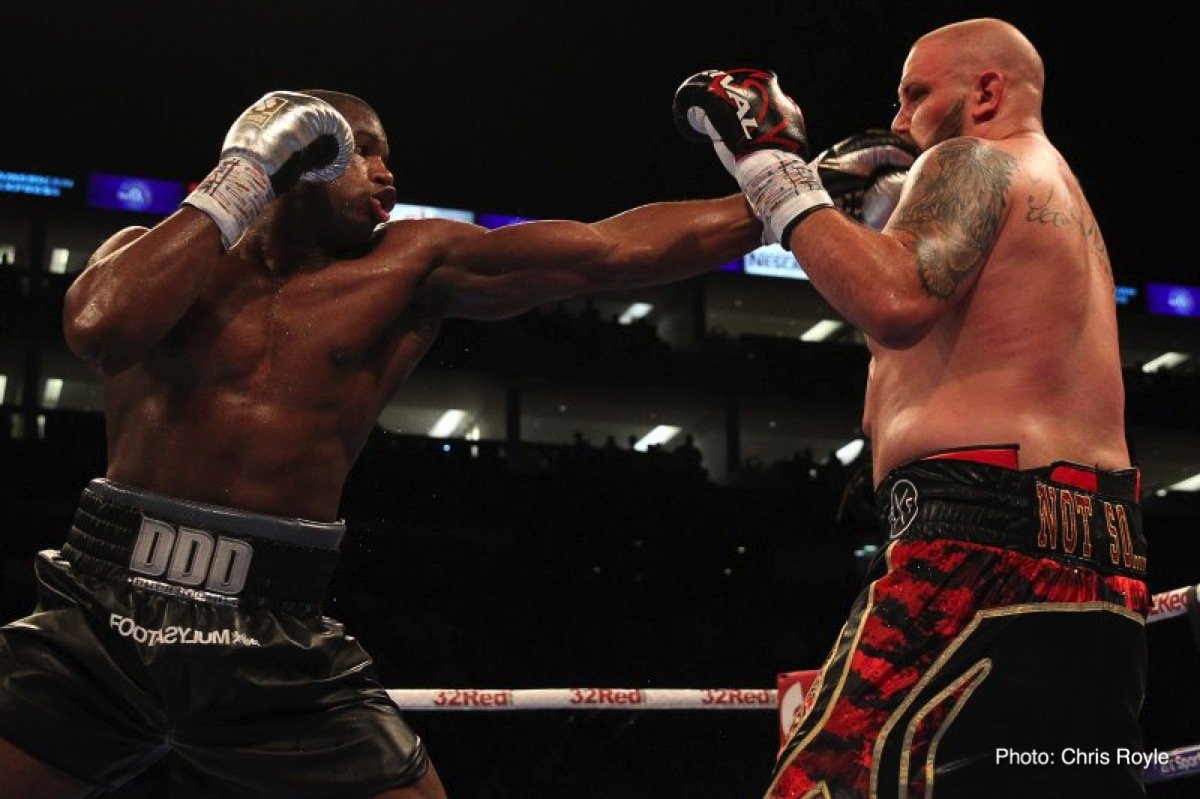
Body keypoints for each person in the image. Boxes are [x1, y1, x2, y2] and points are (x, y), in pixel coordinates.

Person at [0, 89, 763, 798]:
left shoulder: (407, 265)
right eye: (361, 150)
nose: (386, 171)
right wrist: (244, 174)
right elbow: (100, 329)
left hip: (276, 633)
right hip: (99, 620)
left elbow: (608, 249)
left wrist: (788, 194)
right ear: (298, 159)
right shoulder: (155, 253)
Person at [675, 18, 1148, 798]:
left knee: (821, 784)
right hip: (1103, 561)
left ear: (987, 90)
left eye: (916, 95)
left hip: (977, 541)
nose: (898, 123)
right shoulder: (1062, 194)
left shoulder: (975, 158)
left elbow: (894, 298)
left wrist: (773, 170)